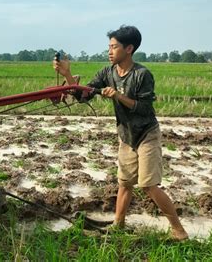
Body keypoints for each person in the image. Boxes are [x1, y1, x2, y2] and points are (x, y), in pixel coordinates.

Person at [53, 25, 188, 240]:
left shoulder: (142, 74)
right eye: (109, 47)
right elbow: (84, 95)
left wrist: (118, 96)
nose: (109, 51)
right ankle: (119, 224)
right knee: (124, 183)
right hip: (126, 135)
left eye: (114, 47)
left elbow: (144, 108)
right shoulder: (107, 73)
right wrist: (67, 73)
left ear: (129, 48)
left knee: (148, 185)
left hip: (146, 134)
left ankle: (179, 230)